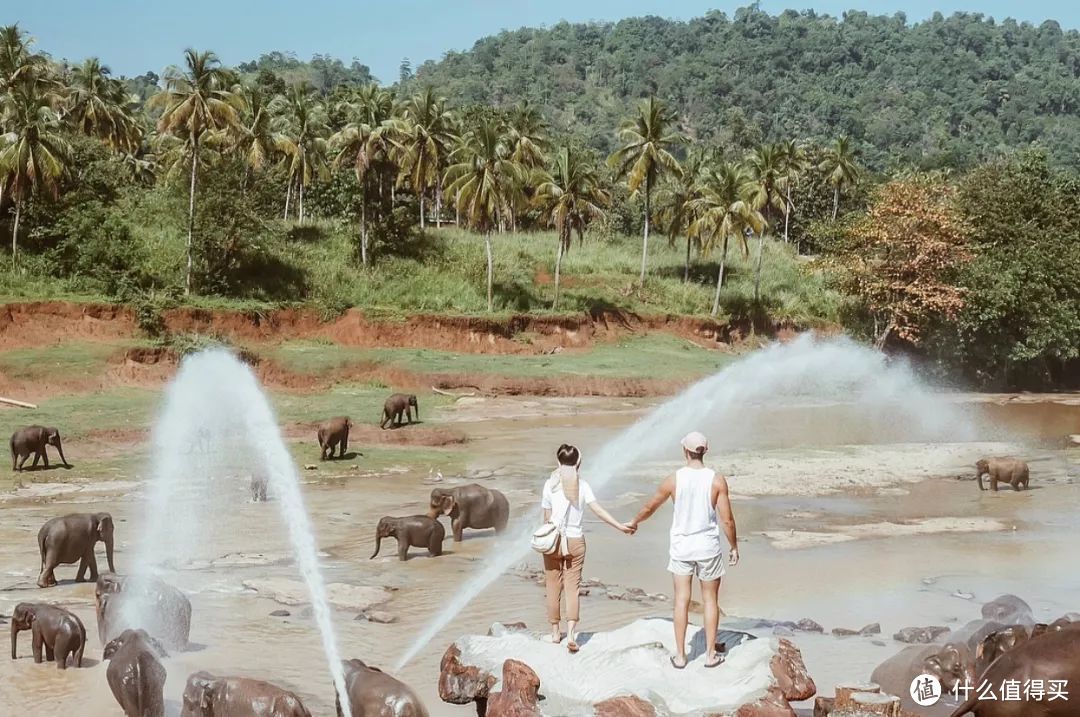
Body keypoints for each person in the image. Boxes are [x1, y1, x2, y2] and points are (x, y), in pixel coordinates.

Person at [629, 431, 738, 669]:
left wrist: (635, 522)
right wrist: (733, 546)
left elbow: (650, 506)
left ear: (685, 451)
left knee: (681, 600)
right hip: (708, 547)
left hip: (682, 548)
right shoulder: (717, 480)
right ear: (705, 452)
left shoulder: (674, 479)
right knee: (710, 599)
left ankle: (680, 656)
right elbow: (727, 520)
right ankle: (710, 655)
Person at [542, 443, 633, 653]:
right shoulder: (583, 486)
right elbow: (599, 511)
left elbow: (546, 517)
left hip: (553, 541)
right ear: (578, 463)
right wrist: (620, 526)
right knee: (573, 588)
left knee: (552, 586)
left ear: (558, 462)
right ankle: (572, 635)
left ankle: (555, 633)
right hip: (575, 541)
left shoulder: (549, 485)